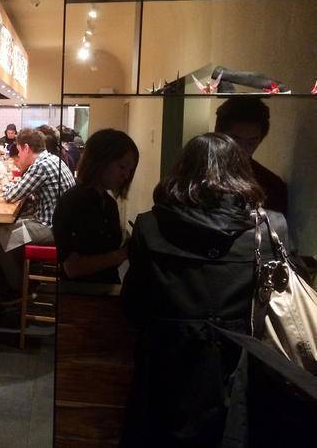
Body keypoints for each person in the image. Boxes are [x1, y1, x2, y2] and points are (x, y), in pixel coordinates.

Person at [120, 132, 289, 447]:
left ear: (182, 170)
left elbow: (134, 305)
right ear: (241, 172)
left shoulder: (149, 226)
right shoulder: (270, 229)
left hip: (167, 368)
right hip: (242, 371)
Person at [0, 128, 76, 296]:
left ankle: (19, 290)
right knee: (11, 227)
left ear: (26, 148)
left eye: (19, 151)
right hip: (63, 226)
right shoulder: (52, 159)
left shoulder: (40, 165)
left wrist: (4, 178)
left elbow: (11, 195)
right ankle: (24, 280)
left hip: (51, 228)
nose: (19, 156)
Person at [53, 129, 139, 284]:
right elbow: (73, 268)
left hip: (107, 287)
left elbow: (108, 262)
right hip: (81, 293)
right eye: (122, 167)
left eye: (130, 170)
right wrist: (122, 254)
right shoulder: (73, 202)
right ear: (100, 161)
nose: (126, 175)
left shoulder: (109, 203)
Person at [215, 97, 288, 216]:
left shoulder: (271, 185)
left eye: (251, 142)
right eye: (235, 140)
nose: (242, 148)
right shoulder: (195, 171)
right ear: (218, 134)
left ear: (260, 140)